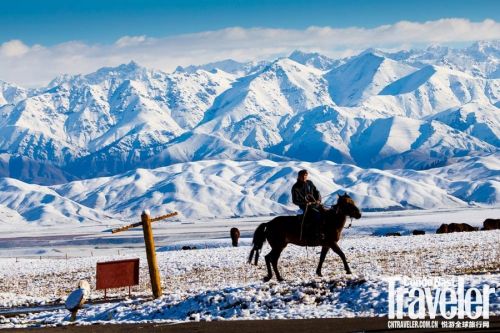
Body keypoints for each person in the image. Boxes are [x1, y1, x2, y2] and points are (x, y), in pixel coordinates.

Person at [291, 169, 324, 240]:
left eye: (305, 175)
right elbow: (295, 200)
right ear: (299, 176)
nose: (304, 177)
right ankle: (316, 233)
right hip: (305, 207)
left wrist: (318, 199)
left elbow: (316, 192)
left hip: (315, 204)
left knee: (326, 213)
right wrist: (305, 203)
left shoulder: (310, 183)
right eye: (302, 176)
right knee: (316, 214)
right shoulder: (295, 187)